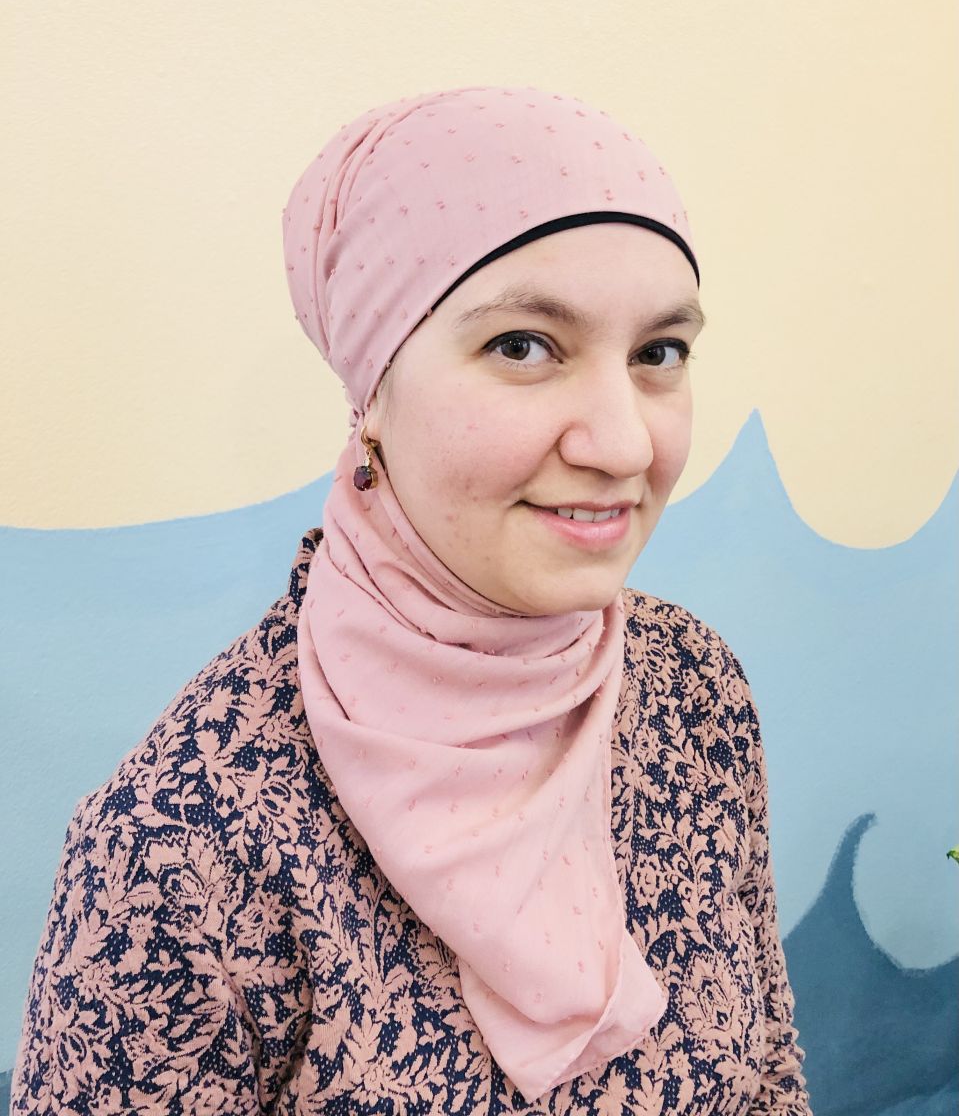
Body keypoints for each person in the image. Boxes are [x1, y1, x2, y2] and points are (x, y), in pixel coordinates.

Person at [12, 86, 811, 1114]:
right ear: (372, 393)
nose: (621, 444)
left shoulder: (689, 687)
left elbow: (768, 1076)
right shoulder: (183, 847)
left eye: (658, 353)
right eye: (522, 346)